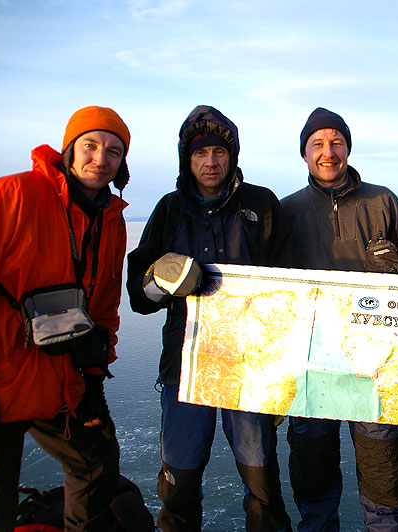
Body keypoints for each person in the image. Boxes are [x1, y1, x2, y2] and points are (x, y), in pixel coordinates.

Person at [0, 106, 131, 531]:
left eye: (114, 151)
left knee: (97, 465)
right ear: (69, 150)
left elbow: (103, 309)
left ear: (122, 164)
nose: (100, 158)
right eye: (90, 145)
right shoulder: (10, 196)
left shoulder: (111, 220)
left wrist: (93, 381)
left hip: (59, 380)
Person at [126, 105, 294, 532]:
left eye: (219, 152)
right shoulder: (169, 210)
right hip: (185, 367)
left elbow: (290, 286)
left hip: (250, 368)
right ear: (187, 159)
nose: (211, 162)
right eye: (200, 153)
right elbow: (139, 298)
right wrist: (159, 281)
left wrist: (283, 369)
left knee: (262, 482)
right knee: (179, 481)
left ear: (231, 156)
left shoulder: (261, 204)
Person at [281, 107, 398, 532]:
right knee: (312, 463)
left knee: (384, 464)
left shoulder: (383, 201)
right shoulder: (286, 211)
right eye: (318, 144)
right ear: (304, 153)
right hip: (311, 366)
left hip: (374, 364)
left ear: (348, 149)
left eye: (336, 142)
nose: (328, 152)